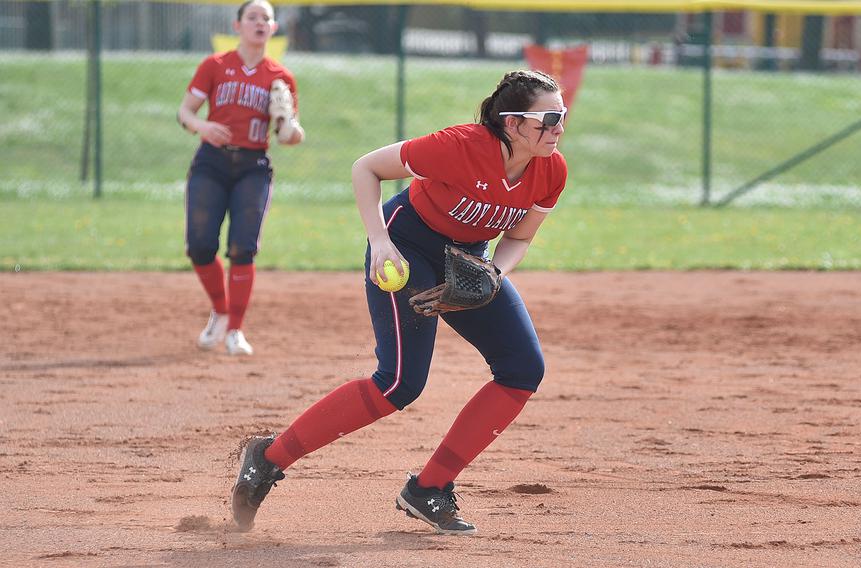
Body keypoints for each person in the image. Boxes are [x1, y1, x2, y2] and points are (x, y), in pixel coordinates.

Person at [231, 69, 568, 534]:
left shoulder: (552, 170)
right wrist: (380, 242)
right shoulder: (461, 146)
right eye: (548, 117)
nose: (558, 127)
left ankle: (429, 488)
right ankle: (267, 459)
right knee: (399, 384)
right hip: (406, 245)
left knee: (522, 370)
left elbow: (519, 237)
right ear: (512, 123)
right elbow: (366, 167)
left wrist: (492, 275)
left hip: (465, 260)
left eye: (561, 116)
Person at [177, 0, 304, 356]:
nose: (259, 23)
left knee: (242, 248)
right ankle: (219, 310)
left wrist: (290, 126)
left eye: (266, 18)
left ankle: (234, 329)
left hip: (253, 166)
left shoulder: (280, 77)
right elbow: (184, 112)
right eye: (252, 17)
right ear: (237, 26)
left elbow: (288, 136)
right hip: (211, 162)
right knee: (200, 246)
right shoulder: (214, 66)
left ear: (274, 28)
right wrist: (203, 125)